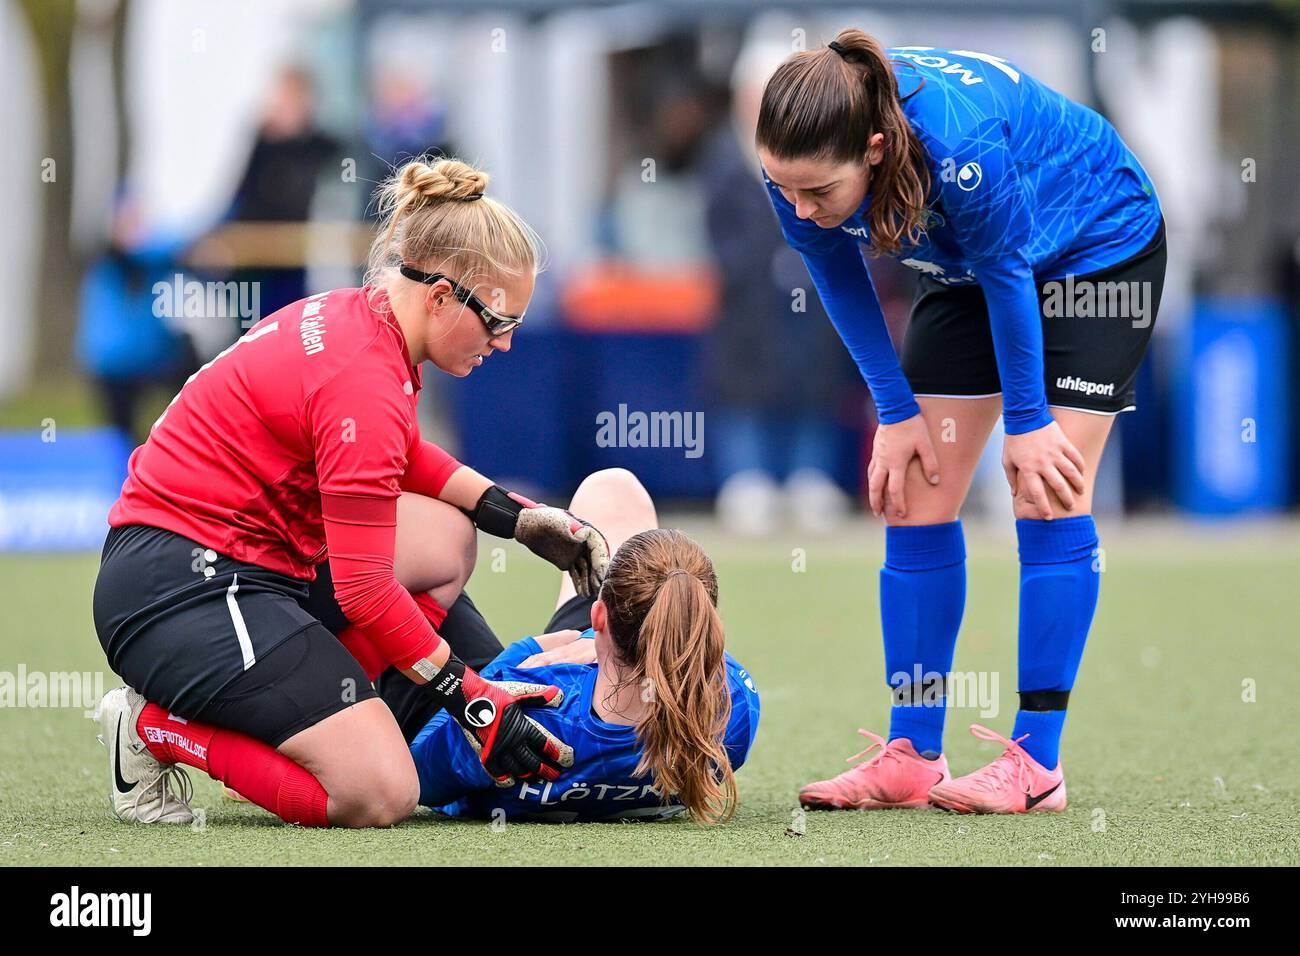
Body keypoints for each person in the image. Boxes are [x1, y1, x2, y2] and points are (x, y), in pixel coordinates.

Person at [92, 157, 610, 828]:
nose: (505, 343)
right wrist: (474, 700)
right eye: (497, 320)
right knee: (377, 792)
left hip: (231, 562)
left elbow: (390, 453)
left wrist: (514, 517)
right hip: (178, 590)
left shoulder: (365, 319)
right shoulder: (363, 376)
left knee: (449, 536)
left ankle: (337, 706)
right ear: (441, 295)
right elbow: (366, 586)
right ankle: (155, 726)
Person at [756, 31, 1165, 813]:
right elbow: (836, 274)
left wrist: (1029, 420)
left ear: (875, 150)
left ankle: (1037, 765)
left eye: (817, 194)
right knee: (912, 489)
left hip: (1095, 248)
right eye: (786, 189)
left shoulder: (959, 141)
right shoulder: (797, 160)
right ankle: (914, 753)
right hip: (973, 260)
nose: (798, 208)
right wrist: (895, 410)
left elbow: (1011, 272)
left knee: (1045, 490)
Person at [403, 468, 761, 824]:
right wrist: (590, 641)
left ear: (599, 616)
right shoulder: (735, 704)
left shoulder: (526, 698)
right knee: (616, 490)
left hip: (498, 700)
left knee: (441, 542)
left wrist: (524, 654)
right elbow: (686, 645)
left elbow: (418, 779)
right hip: (592, 671)